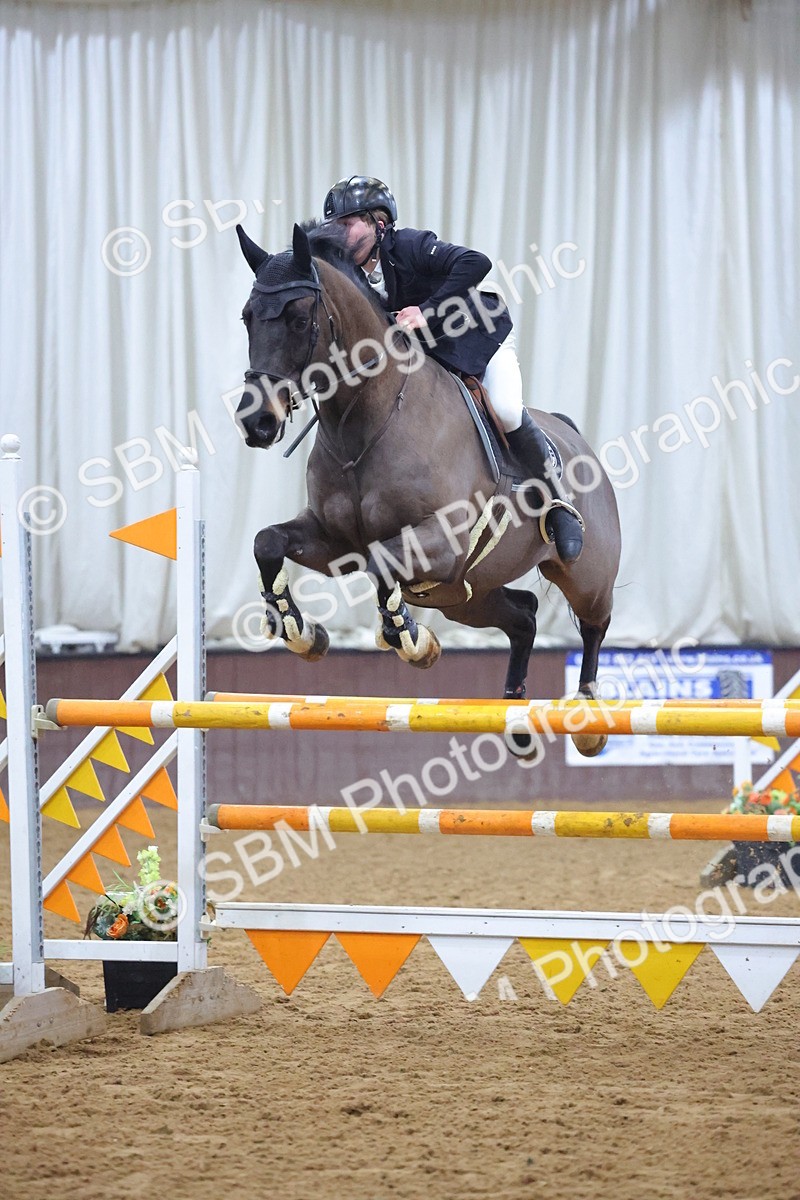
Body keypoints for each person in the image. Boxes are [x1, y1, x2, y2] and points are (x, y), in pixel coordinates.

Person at [322, 176, 584, 563]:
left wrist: (425, 311)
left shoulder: (409, 244)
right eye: (333, 226)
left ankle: (558, 503)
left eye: (346, 224)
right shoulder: (353, 273)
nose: (338, 234)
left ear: (379, 223)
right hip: (432, 354)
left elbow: (475, 262)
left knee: (508, 410)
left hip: (478, 336)